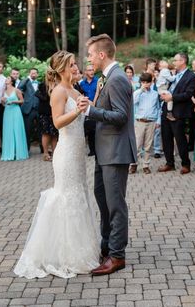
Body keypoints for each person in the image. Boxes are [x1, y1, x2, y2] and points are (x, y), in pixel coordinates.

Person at [14, 50, 99, 279]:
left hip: (78, 152)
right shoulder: (59, 92)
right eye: (71, 64)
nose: (76, 67)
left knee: (79, 193)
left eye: (75, 63)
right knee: (66, 196)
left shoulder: (75, 89)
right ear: (61, 69)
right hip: (66, 152)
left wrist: (92, 99)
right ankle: (64, 255)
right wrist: (77, 111)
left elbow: (87, 112)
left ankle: (81, 249)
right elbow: (58, 122)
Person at [78, 34, 137, 276]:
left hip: (115, 151)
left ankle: (117, 256)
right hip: (104, 151)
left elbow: (121, 115)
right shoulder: (107, 77)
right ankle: (106, 246)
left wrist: (92, 111)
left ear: (101, 55)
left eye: (91, 54)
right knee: (102, 200)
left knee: (115, 205)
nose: (89, 59)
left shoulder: (118, 79)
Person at [159, 53, 195, 174]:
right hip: (166, 110)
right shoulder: (172, 75)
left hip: (179, 112)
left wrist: (172, 97)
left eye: (175, 60)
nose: (174, 62)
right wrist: (164, 95)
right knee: (166, 138)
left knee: (180, 139)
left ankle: (186, 164)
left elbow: (188, 94)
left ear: (183, 61)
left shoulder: (191, 76)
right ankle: (169, 163)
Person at [129, 72, 161, 175]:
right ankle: (134, 164)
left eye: (147, 82)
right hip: (139, 122)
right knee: (137, 144)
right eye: (143, 82)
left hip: (151, 121)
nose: (146, 84)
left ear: (151, 82)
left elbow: (158, 108)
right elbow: (133, 102)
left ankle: (146, 165)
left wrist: (158, 121)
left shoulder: (155, 94)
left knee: (148, 145)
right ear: (141, 82)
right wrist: (141, 90)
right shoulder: (137, 93)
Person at [35, 70, 58, 161]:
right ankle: (45, 153)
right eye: (49, 74)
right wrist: (50, 89)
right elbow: (43, 98)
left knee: (54, 134)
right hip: (45, 113)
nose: (50, 76)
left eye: (52, 74)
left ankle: (55, 153)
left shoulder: (58, 85)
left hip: (54, 112)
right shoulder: (42, 85)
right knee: (46, 133)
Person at [18, 68, 40, 152]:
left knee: (40, 129)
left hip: (38, 109)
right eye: (32, 73)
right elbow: (19, 87)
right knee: (27, 130)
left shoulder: (39, 83)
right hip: (28, 110)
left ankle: (43, 149)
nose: (33, 74)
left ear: (37, 74)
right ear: (29, 74)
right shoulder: (26, 82)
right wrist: (27, 78)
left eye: (35, 73)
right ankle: (26, 149)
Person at [80, 63, 98, 156]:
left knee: (96, 130)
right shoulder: (82, 83)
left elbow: (99, 94)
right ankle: (91, 150)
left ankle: (96, 150)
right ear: (86, 72)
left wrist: (94, 104)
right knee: (88, 130)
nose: (92, 71)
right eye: (89, 70)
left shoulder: (98, 81)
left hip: (96, 108)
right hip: (86, 109)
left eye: (92, 70)